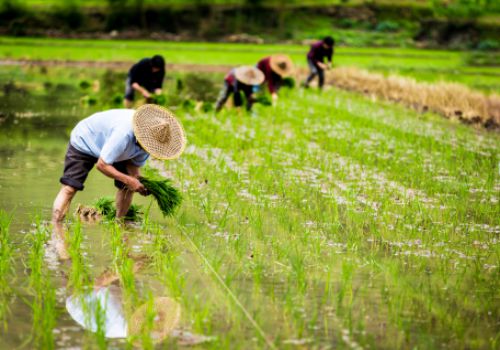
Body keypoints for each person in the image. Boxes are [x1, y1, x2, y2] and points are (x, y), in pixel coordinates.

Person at [52, 104, 186, 229]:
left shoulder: (148, 146)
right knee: (70, 188)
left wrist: (139, 182)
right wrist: (129, 180)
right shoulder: (123, 134)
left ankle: (119, 224)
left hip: (115, 150)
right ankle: (56, 229)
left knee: (128, 187)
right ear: (142, 136)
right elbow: (102, 164)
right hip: (86, 140)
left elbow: (133, 170)